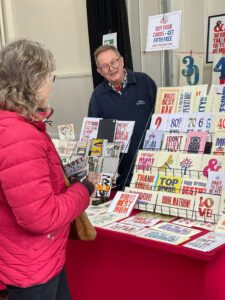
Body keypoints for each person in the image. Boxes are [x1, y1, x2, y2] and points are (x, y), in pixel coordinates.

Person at [0, 39, 94, 300]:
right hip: (32, 266)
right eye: (50, 75)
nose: (51, 82)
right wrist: (83, 190)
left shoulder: (15, 124)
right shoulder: (18, 135)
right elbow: (40, 217)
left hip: (36, 259)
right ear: (35, 80)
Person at [88, 45, 157, 189]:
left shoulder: (144, 82)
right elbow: (97, 140)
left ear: (122, 61)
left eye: (114, 62)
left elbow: (161, 118)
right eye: (105, 66)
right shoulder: (98, 96)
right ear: (99, 71)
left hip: (153, 168)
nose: (111, 68)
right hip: (121, 177)